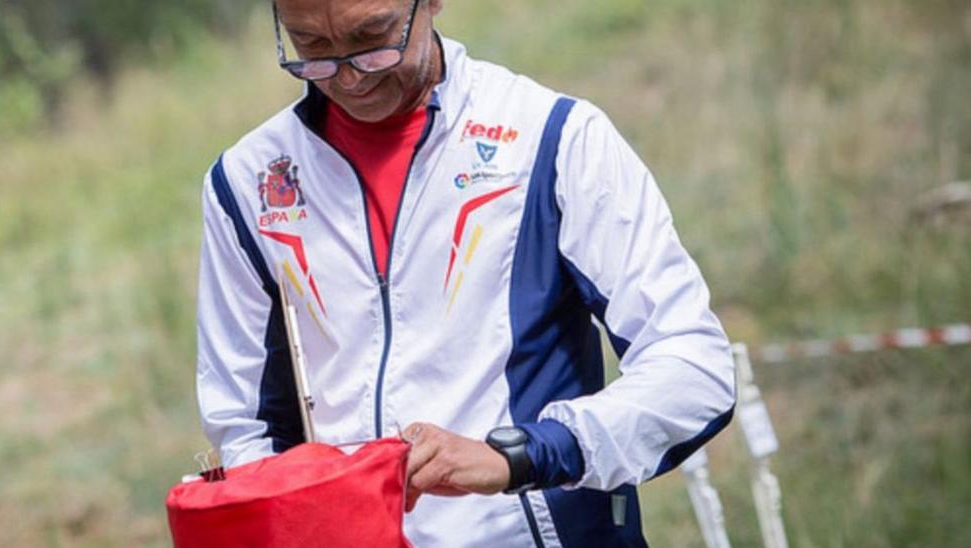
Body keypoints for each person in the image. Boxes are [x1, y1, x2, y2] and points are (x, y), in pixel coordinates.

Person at [194, 0, 736, 545]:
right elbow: (245, 427)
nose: (350, 76)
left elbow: (694, 368)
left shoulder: (554, 137)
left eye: (375, 37)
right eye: (311, 47)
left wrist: (522, 455)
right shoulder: (246, 183)